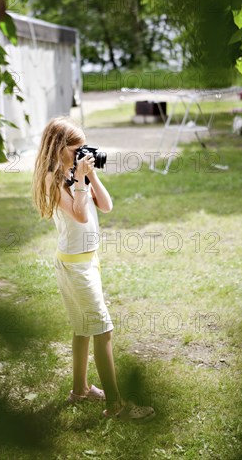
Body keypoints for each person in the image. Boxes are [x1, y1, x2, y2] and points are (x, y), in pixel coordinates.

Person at [32, 116, 155, 421]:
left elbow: (107, 206)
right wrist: (79, 181)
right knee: (102, 329)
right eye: (77, 149)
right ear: (60, 148)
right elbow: (80, 215)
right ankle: (115, 405)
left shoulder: (76, 173)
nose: (82, 153)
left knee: (83, 330)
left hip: (86, 261)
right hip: (75, 267)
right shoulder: (53, 178)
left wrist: (91, 176)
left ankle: (80, 389)